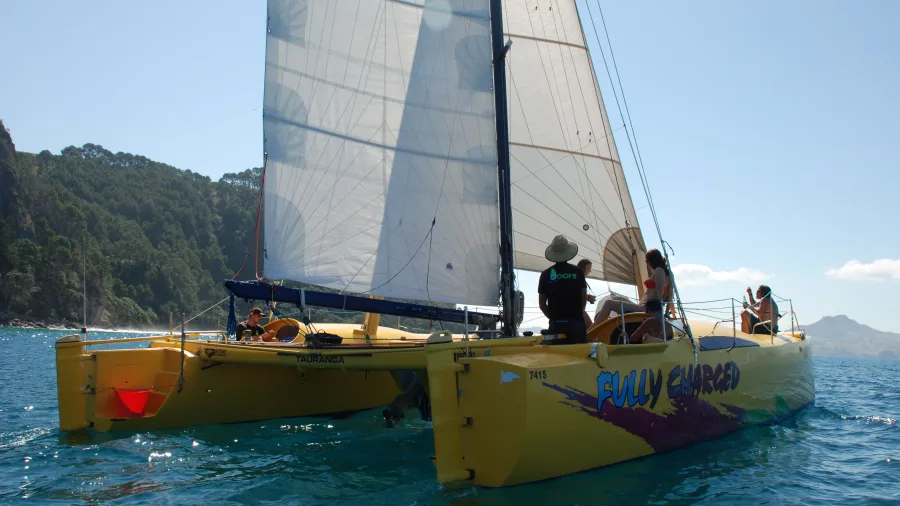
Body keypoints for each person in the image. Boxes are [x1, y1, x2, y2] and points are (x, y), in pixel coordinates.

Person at [592, 248, 673, 325]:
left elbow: (659, 297)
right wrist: (666, 313)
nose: (646, 263)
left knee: (609, 303)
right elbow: (670, 296)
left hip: (645, 309)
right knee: (614, 298)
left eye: (647, 261)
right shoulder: (668, 274)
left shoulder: (658, 270)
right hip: (643, 307)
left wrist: (659, 316)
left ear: (651, 261)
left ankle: (590, 333)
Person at [538, 235, 587, 344]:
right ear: (568, 252)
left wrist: (554, 318)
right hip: (576, 324)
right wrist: (578, 314)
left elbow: (542, 305)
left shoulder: (546, 274)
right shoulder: (578, 272)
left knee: (558, 357)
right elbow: (583, 298)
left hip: (556, 326)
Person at [577, 259, 597, 328]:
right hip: (577, 310)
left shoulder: (576, 277)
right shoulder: (579, 278)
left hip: (575, 309)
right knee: (591, 328)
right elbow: (576, 294)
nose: (590, 271)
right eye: (589, 268)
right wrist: (588, 297)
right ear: (583, 268)